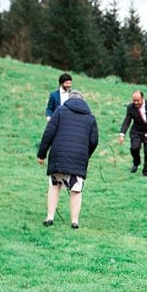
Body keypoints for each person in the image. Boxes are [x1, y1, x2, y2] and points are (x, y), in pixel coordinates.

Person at [37, 90, 99, 229]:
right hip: (79, 158)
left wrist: (41, 154)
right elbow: (94, 141)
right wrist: (85, 155)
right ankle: (74, 221)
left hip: (58, 155)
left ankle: (50, 217)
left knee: (54, 185)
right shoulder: (90, 117)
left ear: (69, 99)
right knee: (76, 189)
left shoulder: (60, 111)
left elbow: (48, 133)